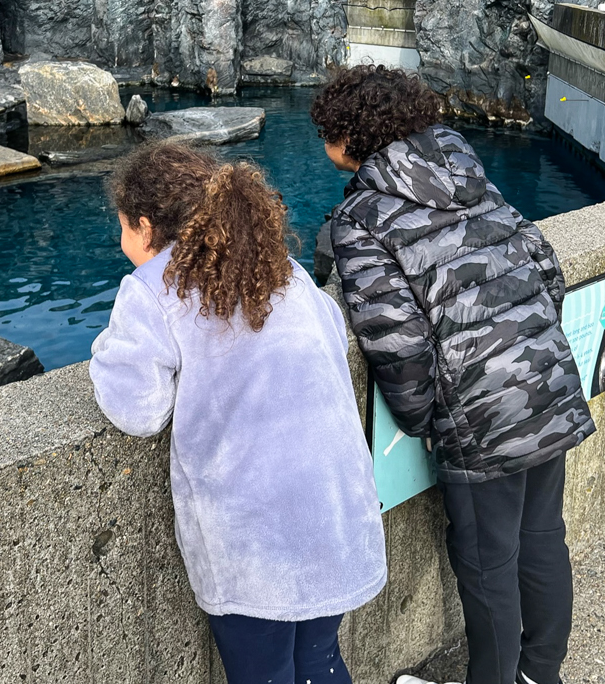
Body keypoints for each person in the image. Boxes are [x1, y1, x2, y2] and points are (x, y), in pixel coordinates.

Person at [311, 65, 595, 684]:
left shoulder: (362, 219)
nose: (323, 145)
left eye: (326, 133)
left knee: (487, 562)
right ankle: (540, 671)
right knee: (543, 535)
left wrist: (424, 423)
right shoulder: (466, 170)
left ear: (349, 137)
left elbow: (398, 345)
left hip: (479, 414)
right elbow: (544, 263)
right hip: (545, 380)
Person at [89, 142, 387, 684]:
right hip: (334, 512)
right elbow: (334, 335)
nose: (125, 244)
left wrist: (104, 350)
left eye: (125, 230)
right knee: (319, 661)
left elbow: (137, 410)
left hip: (256, 541)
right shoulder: (283, 269)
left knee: (264, 674)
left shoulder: (153, 288)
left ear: (146, 225)